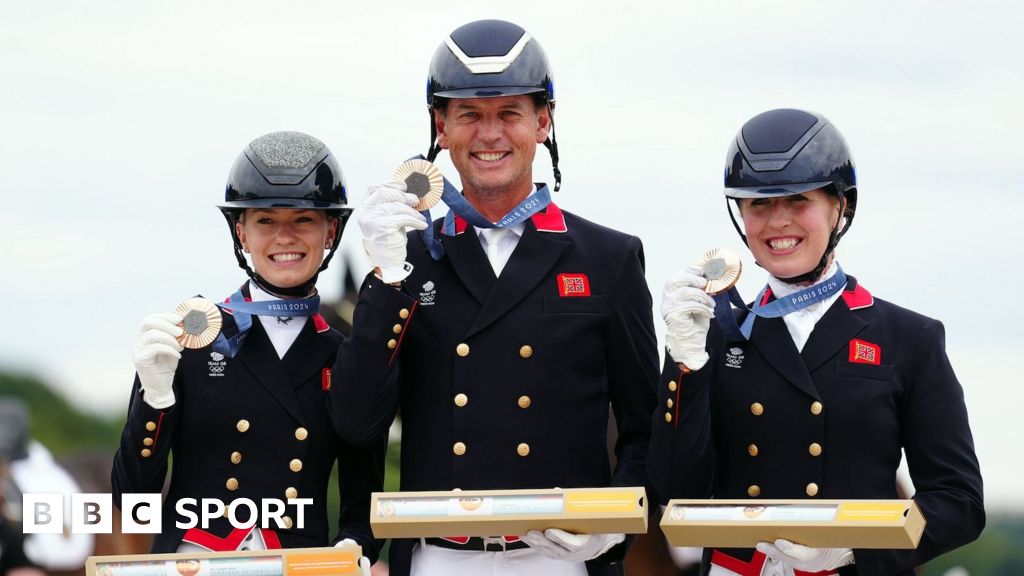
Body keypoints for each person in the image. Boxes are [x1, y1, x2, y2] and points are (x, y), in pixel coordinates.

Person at [331, 19, 659, 576]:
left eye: (509, 113)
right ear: (440, 127)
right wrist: (387, 279)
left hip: (565, 560)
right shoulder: (407, 260)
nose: (490, 134)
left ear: (543, 121)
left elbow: (647, 430)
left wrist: (611, 527)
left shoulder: (608, 259)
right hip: (440, 557)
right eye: (468, 114)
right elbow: (357, 423)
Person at [648, 109, 984, 575]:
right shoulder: (719, 333)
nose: (776, 223)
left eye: (798, 200)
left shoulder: (909, 338)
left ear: (839, 207)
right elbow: (674, 488)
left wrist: (854, 549)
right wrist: (684, 364)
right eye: (759, 205)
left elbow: (959, 500)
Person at [111, 132, 382, 572]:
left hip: (297, 565)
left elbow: (360, 510)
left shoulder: (344, 356)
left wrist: (354, 550)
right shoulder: (192, 338)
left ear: (330, 230)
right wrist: (153, 400)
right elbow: (133, 499)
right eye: (265, 221)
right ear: (241, 230)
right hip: (194, 561)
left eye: (304, 220)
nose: (284, 237)